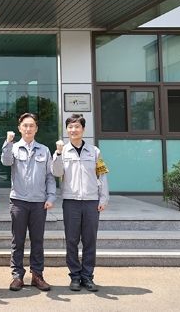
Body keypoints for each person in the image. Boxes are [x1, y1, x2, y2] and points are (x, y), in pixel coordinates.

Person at [52, 114, 109, 292]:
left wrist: (103, 198)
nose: (73, 130)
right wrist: (58, 154)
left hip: (91, 201)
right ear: (66, 130)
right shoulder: (62, 151)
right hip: (71, 201)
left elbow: (102, 174)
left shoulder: (94, 151)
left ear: (83, 129)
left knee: (90, 240)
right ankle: (75, 276)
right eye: (70, 127)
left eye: (77, 126)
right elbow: (56, 173)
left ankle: (87, 276)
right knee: (71, 240)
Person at [1, 112, 56, 292]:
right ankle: (17, 276)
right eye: (25, 125)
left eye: (31, 125)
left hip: (39, 202)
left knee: (37, 241)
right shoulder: (14, 147)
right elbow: (5, 161)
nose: (28, 128)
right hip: (18, 201)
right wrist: (8, 143)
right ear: (19, 128)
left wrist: (51, 196)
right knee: (17, 241)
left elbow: (50, 176)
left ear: (36, 129)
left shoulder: (44, 150)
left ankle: (37, 275)